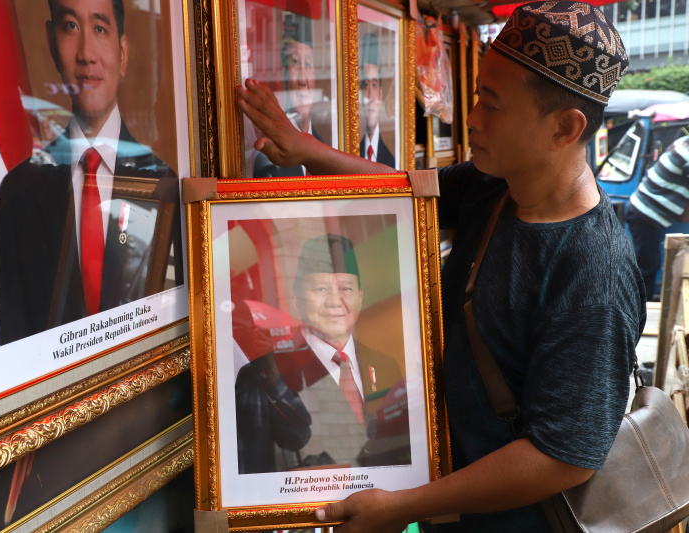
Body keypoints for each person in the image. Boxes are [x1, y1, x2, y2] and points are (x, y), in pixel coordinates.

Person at [236, 1, 646, 531]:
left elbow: (563, 457)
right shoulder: (495, 186)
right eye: (477, 95)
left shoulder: (594, 270)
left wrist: (404, 506)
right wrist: (305, 149)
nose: (472, 117)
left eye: (492, 105)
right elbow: (405, 190)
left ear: (565, 128)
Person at [0, 0, 182, 345]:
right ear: (52, 43)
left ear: (122, 53)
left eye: (99, 29)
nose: (86, 54)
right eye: (70, 27)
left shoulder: (165, 185)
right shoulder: (17, 192)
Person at [234, 234, 409, 474]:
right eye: (320, 288)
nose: (335, 302)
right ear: (297, 299)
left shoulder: (385, 364)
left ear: (360, 296)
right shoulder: (277, 367)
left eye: (346, 288)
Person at [253, 11, 327, 177]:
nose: (303, 80)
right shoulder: (269, 158)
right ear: (283, 74)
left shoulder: (326, 148)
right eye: (295, 63)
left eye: (307, 64)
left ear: (315, 73)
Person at [625, 135, 689, 300]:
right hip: (645, 214)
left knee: (647, 263)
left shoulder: (682, 142)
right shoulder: (685, 155)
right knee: (647, 267)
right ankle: (640, 307)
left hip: (646, 212)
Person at [359, 32, 395, 168]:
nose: (370, 96)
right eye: (365, 85)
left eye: (374, 85)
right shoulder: (352, 152)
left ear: (380, 94)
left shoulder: (391, 159)